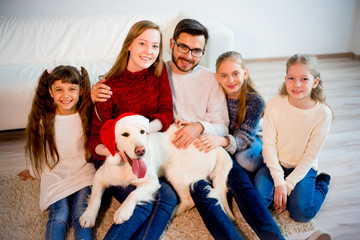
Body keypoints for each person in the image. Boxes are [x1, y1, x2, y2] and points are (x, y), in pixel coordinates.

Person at [93, 19, 284, 240]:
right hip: (176, 154)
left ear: (203, 52)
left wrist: (199, 126)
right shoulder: (155, 71)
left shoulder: (209, 79)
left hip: (206, 144)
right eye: (183, 47)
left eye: (196, 51)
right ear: (172, 43)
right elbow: (129, 100)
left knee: (241, 184)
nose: (188, 55)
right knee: (204, 197)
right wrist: (95, 91)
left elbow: (222, 124)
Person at [89, 20, 176, 240]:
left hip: (143, 150)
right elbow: (94, 140)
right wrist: (116, 153)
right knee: (147, 205)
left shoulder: (159, 71)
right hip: (115, 159)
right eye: (142, 44)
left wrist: (144, 133)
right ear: (129, 45)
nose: (149, 52)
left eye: (155, 46)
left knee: (166, 198)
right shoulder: (108, 86)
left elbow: (166, 114)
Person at [253, 54, 333, 223]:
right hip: (275, 162)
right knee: (258, 203)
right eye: (291, 78)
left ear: (315, 82)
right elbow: (268, 145)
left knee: (302, 213)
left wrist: (287, 186)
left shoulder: (322, 114)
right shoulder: (275, 104)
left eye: (304, 79)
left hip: (302, 166)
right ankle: (285, 191)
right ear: (285, 79)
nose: (297, 84)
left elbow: (310, 157)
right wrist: (278, 181)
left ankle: (322, 183)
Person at [19, 65, 95, 240]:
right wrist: (33, 171)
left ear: (81, 90)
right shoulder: (44, 120)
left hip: (83, 173)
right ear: (51, 92)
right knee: (59, 215)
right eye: (59, 89)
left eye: (72, 89)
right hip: (55, 175)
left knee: (81, 213)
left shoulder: (86, 115)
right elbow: (36, 151)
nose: (66, 95)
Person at [194, 51, 265, 177]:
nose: (230, 80)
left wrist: (220, 141)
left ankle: (268, 160)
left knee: (243, 159)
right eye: (224, 76)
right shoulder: (215, 93)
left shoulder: (255, 101)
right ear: (217, 77)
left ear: (245, 73)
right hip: (227, 138)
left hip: (251, 138)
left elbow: (244, 139)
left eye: (235, 74)